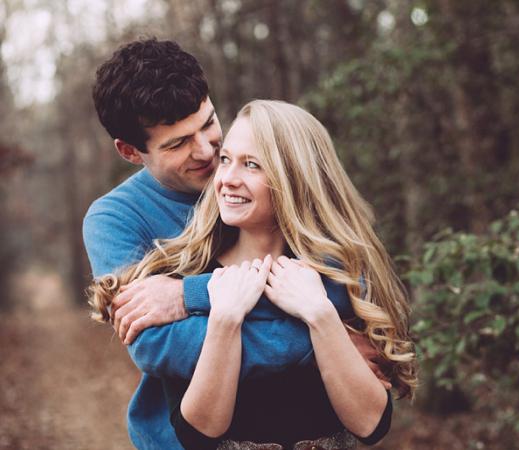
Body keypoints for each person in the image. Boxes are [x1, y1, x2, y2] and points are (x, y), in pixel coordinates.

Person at [83, 38, 386, 450]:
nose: (208, 152)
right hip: (180, 438)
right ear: (130, 151)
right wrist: (321, 343)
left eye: (207, 124)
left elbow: (338, 286)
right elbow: (160, 346)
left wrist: (189, 295)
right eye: (177, 144)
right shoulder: (115, 219)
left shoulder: (272, 181)